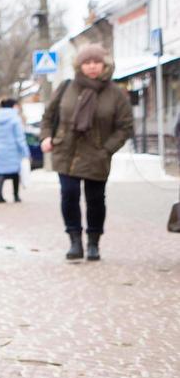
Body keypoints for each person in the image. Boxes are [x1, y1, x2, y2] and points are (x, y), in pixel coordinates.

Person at [40, 44, 135, 261]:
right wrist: (46, 136)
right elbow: (49, 115)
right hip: (67, 151)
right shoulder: (66, 87)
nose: (92, 67)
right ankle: (74, 241)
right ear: (79, 65)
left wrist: (107, 149)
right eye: (87, 62)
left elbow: (125, 126)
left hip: (97, 153)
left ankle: (93, 242)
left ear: (105, 65)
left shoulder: (115, 94)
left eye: (96, 62)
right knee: (69, 195)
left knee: (95, 199)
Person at [0, 97, 27, 202]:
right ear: (13, 106)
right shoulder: (15, 119)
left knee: (0, 173)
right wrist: (25, 152)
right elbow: (20, 138)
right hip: (12, 150)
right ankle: (16, 195)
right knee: (14, 173)